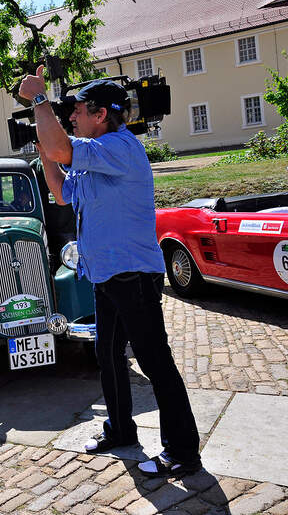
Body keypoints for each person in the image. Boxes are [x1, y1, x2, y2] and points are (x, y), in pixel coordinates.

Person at [18, 66, 202, 478]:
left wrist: (39, 100)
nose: (72, 118)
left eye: (78, 111)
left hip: (133, 276)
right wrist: (46, 151)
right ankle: (120, 430)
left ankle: (183, 453)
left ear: (101, 114)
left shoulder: (120, 147)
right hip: (105, 275)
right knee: (108, 355)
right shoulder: (93, 155)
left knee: (156, 362)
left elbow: (64, 150)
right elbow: (63, 193)